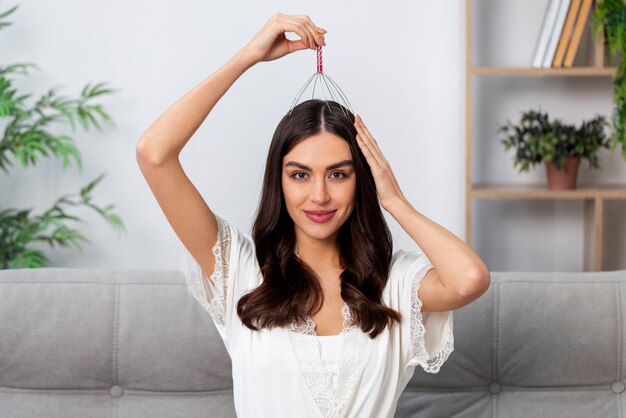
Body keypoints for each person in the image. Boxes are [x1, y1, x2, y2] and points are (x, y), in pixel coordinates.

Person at [136, 12, 490, 418]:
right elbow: (154, 154)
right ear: (279, 180)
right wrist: (247, 57)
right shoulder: (241, 272)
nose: (319, 195)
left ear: (362, 180)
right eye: (300, 174)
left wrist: (394, 201)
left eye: (338, 174)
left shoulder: (392, 283)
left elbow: (470, 279)